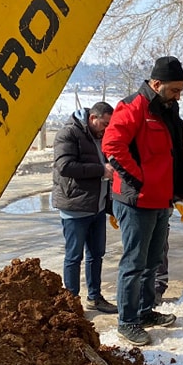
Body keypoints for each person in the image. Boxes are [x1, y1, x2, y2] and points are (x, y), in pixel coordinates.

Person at [102, 56, 183, 346]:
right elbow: (112, 146)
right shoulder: (133, 107)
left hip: (160, 200)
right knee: (134, 263)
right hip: (135, 201)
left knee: (153, 261)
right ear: (156, 84)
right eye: (174, 90)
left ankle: (144, 311)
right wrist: (138, 180)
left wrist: (173, 193)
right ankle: (127, 322)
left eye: (181, 90)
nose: (178, 96)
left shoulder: (166, 108)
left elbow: (171, 154)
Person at [52, 102, 118, 314]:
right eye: (104, 123)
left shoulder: (101, 136)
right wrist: (101, 170)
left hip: (96, 207)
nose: (107, 128)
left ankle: (95, 297)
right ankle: (71, 302)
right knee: (74, 256)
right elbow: (65, 166)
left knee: (96, 254)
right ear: (92, 118)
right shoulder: (68, 134)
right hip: (75, 207)